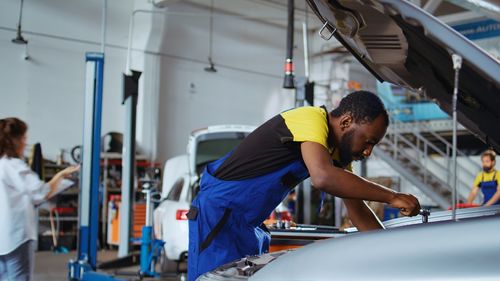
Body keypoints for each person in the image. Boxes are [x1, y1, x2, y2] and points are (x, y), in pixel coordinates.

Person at [187, 91, 421, 281]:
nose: (368, 151)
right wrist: (392, 197)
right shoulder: (310, 118)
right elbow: (322, 177)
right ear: (347, 121)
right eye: (368, 141)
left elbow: (357, 210)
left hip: (247, 225)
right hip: (218, 217)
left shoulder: (334, 155)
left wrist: (391, 251)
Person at [0, 117, 79, 281]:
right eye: (23, 138)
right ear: (13, 140)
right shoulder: (13, 165)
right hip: (16, 237)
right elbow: (40, 193)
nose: (25, 143)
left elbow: (31, 197)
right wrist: (60, 175)